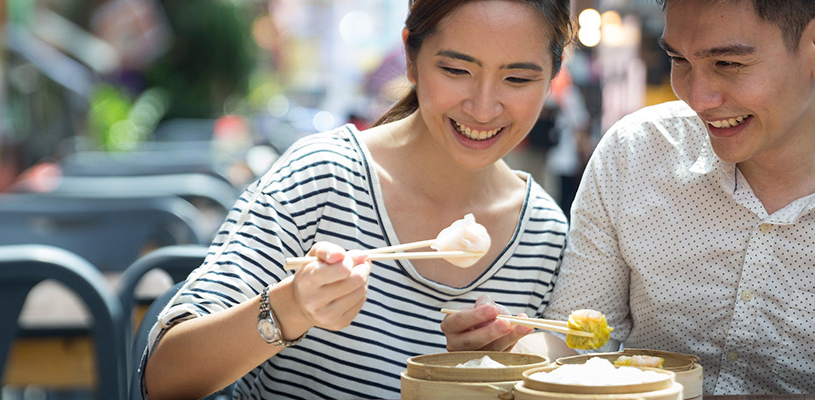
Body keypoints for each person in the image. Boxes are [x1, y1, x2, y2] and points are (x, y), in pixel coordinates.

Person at [444, 0, 815, 395]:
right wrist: (509, 357)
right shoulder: (633, 155)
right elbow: (579, 341)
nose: (698, 96)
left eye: (728, 64)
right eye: (679, 59)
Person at [140, 0, 572, 398]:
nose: (482, 108)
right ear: (411, 58)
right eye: (457, 71)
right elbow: (163, 377)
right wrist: (291, 309)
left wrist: (495, 372)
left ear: (553, 76)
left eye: (517, 78)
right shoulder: (323, 177)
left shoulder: (545, 234)